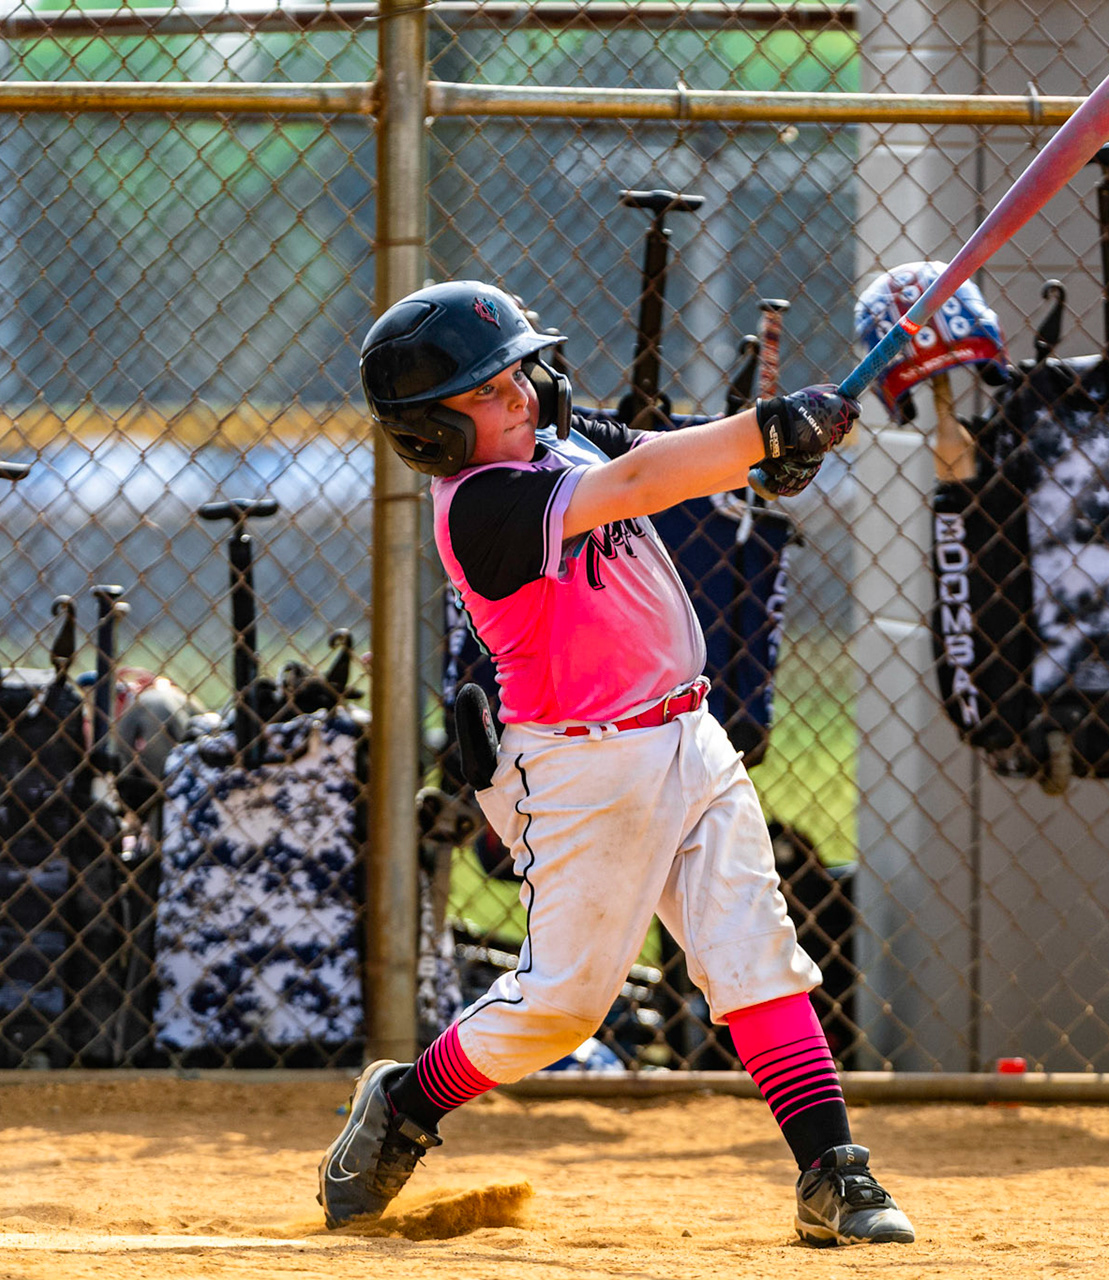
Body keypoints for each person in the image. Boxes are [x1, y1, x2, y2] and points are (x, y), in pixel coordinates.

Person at [320, 279, 915, 1247]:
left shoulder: (562, 438)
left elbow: (658, 456)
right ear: (432, 431)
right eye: (485, 389)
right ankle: (406, 1102)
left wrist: (766, 451)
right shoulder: (482, 507)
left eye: (517, 371)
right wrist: (769, 428)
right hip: (581, 770)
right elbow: (638, 488)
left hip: (689, 737)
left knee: (755, 955)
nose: (516, 391)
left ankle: (831, 1169)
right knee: (560, 1007)